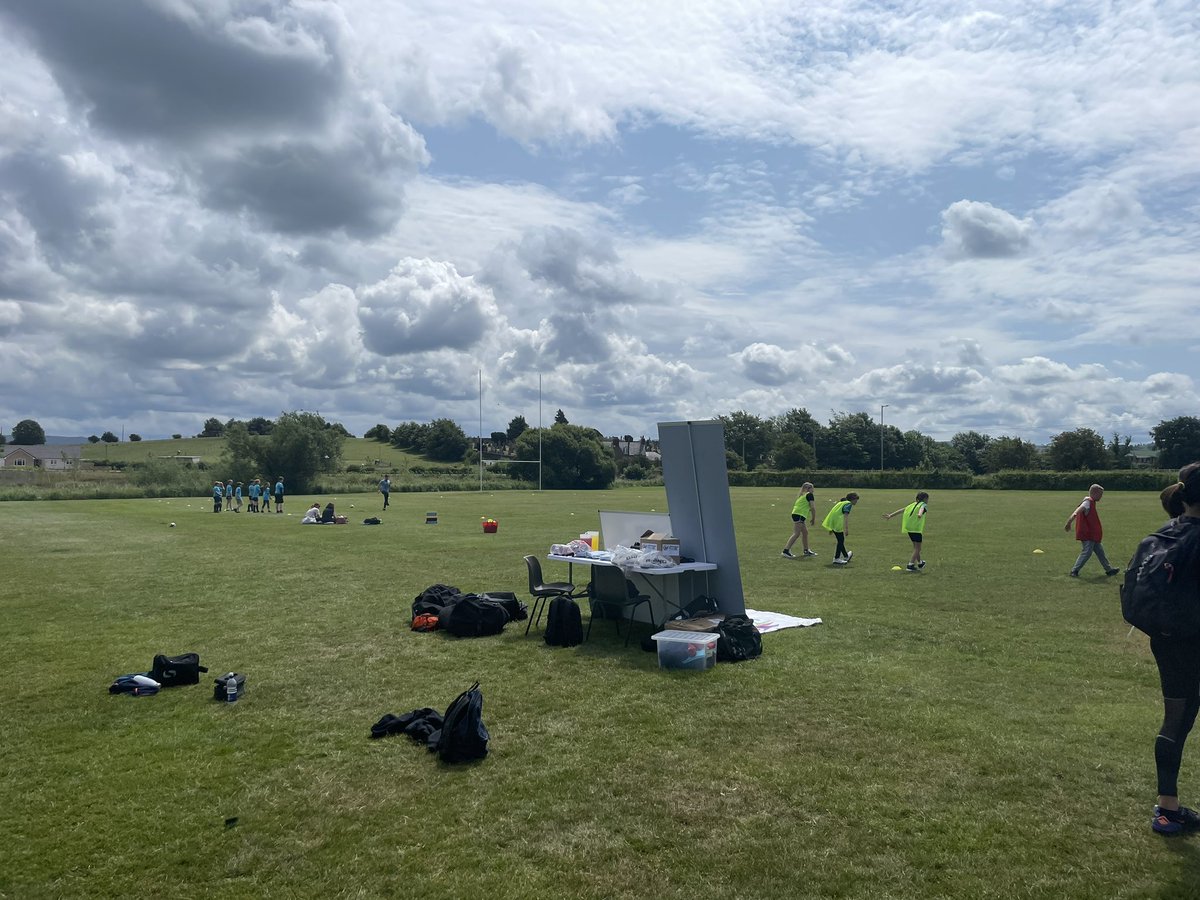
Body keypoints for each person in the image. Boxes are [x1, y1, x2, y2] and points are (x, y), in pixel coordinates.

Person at [1147, 463, 1200, 835]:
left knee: (1176, 720)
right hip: (1192, 638)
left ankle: (1167, 807)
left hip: (1168, 641)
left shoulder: (1168, 531)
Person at [1065, 483, 1120, 577]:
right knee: (1087, 552)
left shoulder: (1091, 502)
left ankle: (1109, 570)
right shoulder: (1087, 502)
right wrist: (1069, 521)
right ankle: (1074, 571)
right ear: (1094, 493)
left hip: (1092, 534)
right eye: (1100, 494)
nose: (1101, 497)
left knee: (1100, 552)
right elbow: (1077, 511)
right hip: (1087, 533)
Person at [884, 492, 929, 571]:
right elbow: (922, 509)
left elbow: (902, 510)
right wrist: (919, 514)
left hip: (909, 529)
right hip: (916, 529)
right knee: (918, 548)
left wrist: (891, 515)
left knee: (916, 547)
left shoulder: (912, 505)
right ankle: (910, 565)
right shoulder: (923, 504)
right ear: (925, 499)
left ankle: (920, 563)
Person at [781, 482, 818, 558]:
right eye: (812, 488)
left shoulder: (802, 496)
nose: (813, 490)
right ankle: (786, 550)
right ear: (809, 489)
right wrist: (813, 519)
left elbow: (805, 506)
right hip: (799, 515)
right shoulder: (809, 495)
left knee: (805, 532)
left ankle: (806, 550)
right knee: (796, 533)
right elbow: (813, 508)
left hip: (797, 514)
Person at [821, 492, 859, 565]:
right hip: (837, 525)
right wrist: (846, 529)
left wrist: (831, 528)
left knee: (840, 540)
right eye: (856, 500)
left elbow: (833, 513)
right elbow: (845, 516)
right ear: (852, 499)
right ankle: (836, 558)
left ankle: (846, 556)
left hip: (833, 523)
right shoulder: (848, 504)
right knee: (841, 541)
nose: (856, 502)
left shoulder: (841, 503)